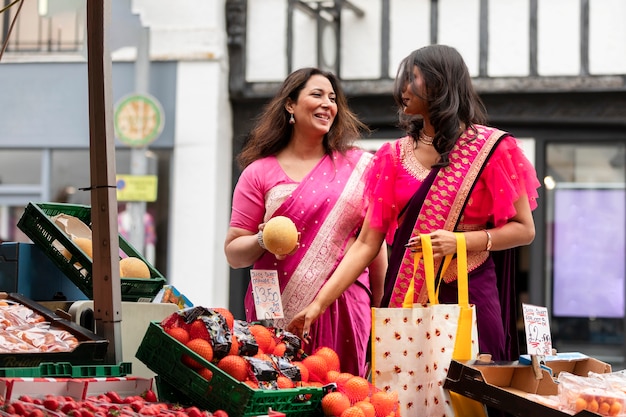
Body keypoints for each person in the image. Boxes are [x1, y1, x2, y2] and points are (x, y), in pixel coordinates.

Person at [287, 45, 541, 362]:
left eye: (412, 79)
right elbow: (367, 242)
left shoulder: (493, 150)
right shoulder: (392, 158)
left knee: (473, 400)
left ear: (439, 84)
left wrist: (461, 241)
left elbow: (524, 229)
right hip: (406, 295)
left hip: (470, 293)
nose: (403, 90)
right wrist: (318, 303)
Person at [224, 67, 387, 377]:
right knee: (279, 384)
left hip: (344, 299)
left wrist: (381, 304)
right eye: (316, 95)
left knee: (342, 394)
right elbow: (233, 252)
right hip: (272, 296)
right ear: (290, 105)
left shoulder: (358, 166)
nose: (327, 103)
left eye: (332, 98)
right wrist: (263, 240)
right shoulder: (259, 173)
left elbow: (372, 243)